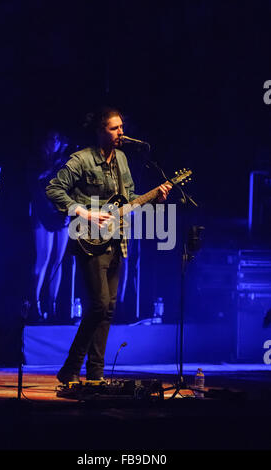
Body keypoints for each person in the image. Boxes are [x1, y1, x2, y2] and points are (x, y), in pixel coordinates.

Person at [45, 107, 170, 383]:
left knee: (109, 309)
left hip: (117, 240)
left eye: (121, 127)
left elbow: (130, 198)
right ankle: (70, 368)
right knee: (99, 305)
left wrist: (155, 196)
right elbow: (53, 189)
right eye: (115, 128)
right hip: (88, 241)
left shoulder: (122, 159)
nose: (121, 133)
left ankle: (95, 374)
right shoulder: (81, 160)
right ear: (101, 130)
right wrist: (84, 212)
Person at [28, 130, 70, 321]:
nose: (56, 141)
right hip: (43, 211)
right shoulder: (37, 159)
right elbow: (34, 182)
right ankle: (34, 302)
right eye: (52, 138)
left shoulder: (64, 161)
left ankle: (52, 305)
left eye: (58, 138)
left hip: (61, 212)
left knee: (58, 260)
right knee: (43, 258)